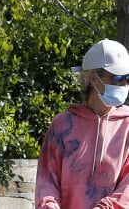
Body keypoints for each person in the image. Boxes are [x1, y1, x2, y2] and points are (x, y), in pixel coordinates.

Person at [35, 39, 129, 209]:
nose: (124, 84)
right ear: (93, 79)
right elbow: (47, 180)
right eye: (117, 78)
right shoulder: (62, 125)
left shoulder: (127, 125)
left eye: (127, 78)